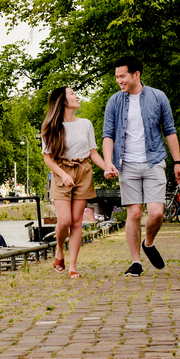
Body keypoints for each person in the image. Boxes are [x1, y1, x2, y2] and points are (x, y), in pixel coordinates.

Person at [102, 56, 180, 277]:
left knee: (156, 214)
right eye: (117, 76)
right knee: (135, 213)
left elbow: (170, 130)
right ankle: (135, 262)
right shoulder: (114, 102)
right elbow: (107, 135)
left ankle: (148, 243)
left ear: (136, 74)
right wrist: (108, 162)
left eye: (122, 76)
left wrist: (177, 162)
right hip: (126, 164)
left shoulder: (158, 97)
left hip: (154, 160)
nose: (119, 80)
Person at [41, 87, 118, 279]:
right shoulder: (50, 126)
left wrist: (107, 167)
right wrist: (62, 175)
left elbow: (93, 153)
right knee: (64, 220)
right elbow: (48, 158)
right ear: (63, 101)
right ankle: (60, 250)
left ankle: (73, 266)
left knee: (76, 222)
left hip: (83, 171)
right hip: (61, 172)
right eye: (72, 93)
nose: (77, 96)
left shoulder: (86, 124)